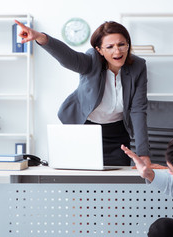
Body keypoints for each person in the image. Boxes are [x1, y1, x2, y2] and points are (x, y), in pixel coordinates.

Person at [15, 20, 150, 166]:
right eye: (109, 47)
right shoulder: (92, 61)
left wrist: (143, 154)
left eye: (121, 44)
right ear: (99, 50)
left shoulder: (138, 66)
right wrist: (40, 37)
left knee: (115, 183)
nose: (117, 51)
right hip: (84, 130)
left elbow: (138, 110)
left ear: (128, 45)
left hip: (117, 135)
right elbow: (69, 58)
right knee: (81, 179)